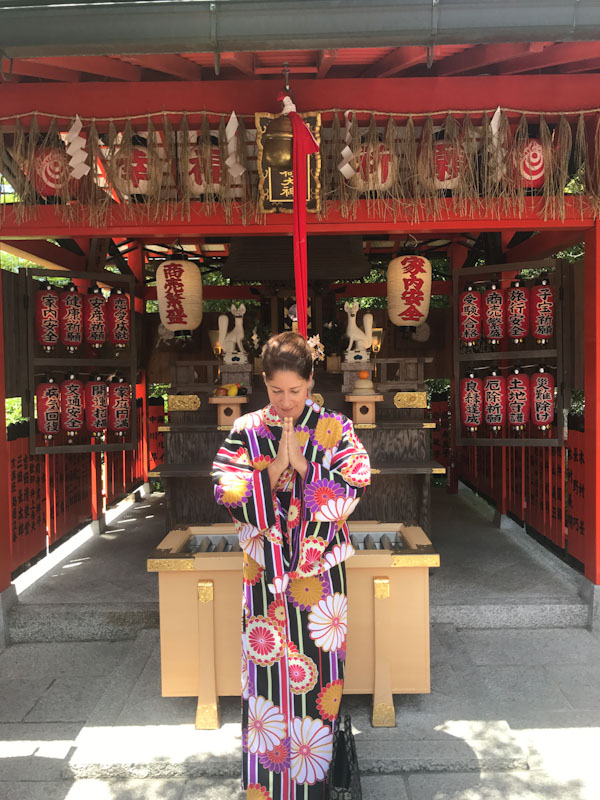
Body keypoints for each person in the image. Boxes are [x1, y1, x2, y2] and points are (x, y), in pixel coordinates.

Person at [211, 331, 370, 800]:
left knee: (319, 677)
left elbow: (356, 482)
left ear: (311, 381)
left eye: (295, 391)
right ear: (263, 382)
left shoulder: (334, 428)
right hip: (264, 575)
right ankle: (266, 788)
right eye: (276, 390)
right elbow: (225, 486)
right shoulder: (247, 429)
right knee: (267, 680)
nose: (285, 401)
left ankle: (315, 787)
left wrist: (303, 467)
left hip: (319, 578)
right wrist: (271, 472)